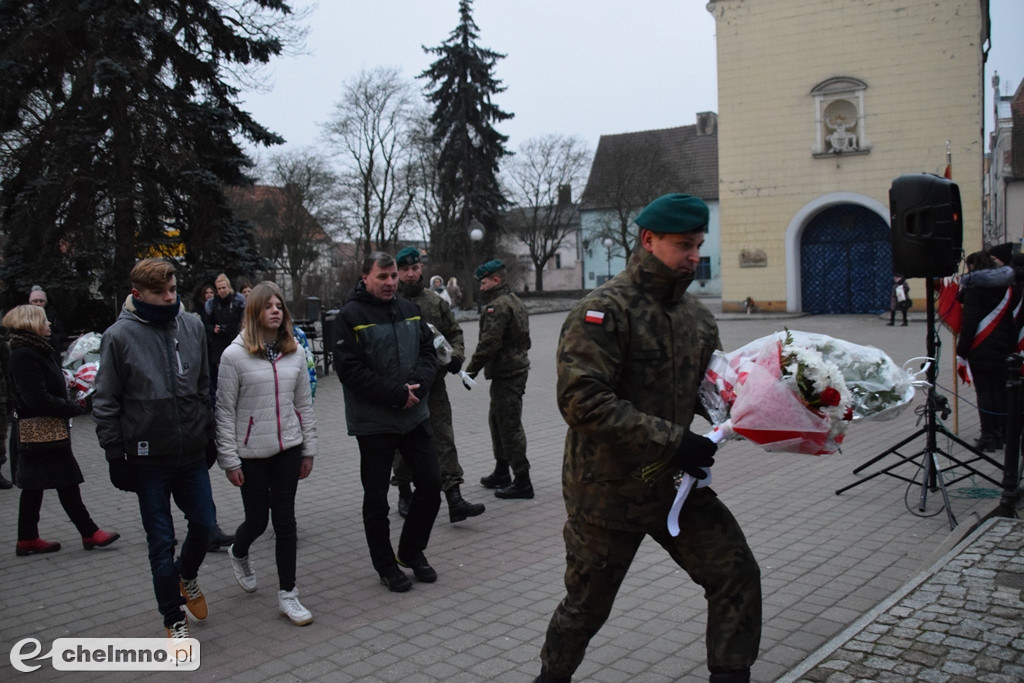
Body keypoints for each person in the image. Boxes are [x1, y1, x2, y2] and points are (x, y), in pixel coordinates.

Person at [534, 194, 761, 683]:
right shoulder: (604, 311)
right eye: (683, 245)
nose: (694, 257)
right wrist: (674, 440)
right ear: (649, 240)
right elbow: (581, 400)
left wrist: (766, 403)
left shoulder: (697, 317)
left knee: (735, 573)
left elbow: (710, 392)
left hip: (673, 486)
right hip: (607, 490)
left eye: (698, 245)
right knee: (587, 606)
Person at [92, 258, 218, 639]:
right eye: (159, 292)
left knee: (205, 525)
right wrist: (114, 455)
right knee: (161, 541)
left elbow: (203, 385)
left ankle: (186, 574)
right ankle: (172, 617)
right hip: (147, 459)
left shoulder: (191, 325)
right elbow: (105, 399)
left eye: (173, 290)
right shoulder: (119, 336)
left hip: (191, 451)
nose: (168, 298)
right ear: (137, 293)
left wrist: (207, 432)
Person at [333, 251, 442, 593]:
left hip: (414, 416)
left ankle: (410, 551)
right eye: (383, 276)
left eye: (393, 276)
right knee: (377, 499)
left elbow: (429, 352)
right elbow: (350, 370)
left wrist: (420, 385)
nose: (391, 282)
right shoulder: (350, 316)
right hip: (375, 423)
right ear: (365, 277)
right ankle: (385, 565)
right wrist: (395, 394)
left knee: (431, 485)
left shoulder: (410, 310)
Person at [216, 281, 318, 626]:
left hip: (288, 447)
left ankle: (288, 594)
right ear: (254, 312)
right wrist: (229, 459)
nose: (275, 311)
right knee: (258, 520)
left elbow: (304, 404)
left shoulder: (295, 352)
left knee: (285, 520)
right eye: (268, 306)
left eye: (279, 306)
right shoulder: (234, 356)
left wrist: (309, 448)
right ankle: (239, 550)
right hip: (251, 452)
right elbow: (224, 411)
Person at [4, 305, 120, 556]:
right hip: (40, 430)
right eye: (44, 321)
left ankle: (28, 538)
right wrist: (72, 407)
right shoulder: (24, 355)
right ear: (30, 324)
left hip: (43, 430)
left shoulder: (37, 350)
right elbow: (37, 399)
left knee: (35, 487)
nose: (49, 324)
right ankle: (88, 532)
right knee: (66, 481)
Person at [393, 247, 485, 523]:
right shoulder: (390, 302)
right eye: (404, 269)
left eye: (415, 268)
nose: (410, 274)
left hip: (434, 385)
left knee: (443, 438)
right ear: (397, 271)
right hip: (403, 388)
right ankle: (404, 491)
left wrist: (456, 356)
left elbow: (454, 332)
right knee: (402, 443)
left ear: (421, 268)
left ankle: (454, 497)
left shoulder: (434, 302)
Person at [466, 259, 533, 499]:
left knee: (509, 426)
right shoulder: (514, 301)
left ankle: (522, 481)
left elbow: (489, 343)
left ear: (496, 280)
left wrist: (471, 370)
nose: (481, 287)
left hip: (508, 374)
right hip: (512, 370)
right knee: (497, 422)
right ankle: (502, 471)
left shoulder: (497, 307)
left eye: (484, 283)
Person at [956, 250, 1017, 452]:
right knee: (998, 390)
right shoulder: (1005, 287)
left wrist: (961, 350)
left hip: (981, 347)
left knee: (984, 391)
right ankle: (1000, 433)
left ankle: (988, 436)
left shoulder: (974, 288)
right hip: (1002, 346)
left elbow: (970, 322)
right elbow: (1009, 319)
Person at [204, 273, 245, 403]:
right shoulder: (213, 305)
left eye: (224, 288)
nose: (222, 291)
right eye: (219, 288)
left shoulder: (237, 302)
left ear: (228, 287)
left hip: (235, 341)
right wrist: (213, 328)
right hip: (219, 345)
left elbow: (243, 321)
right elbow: (206, 324)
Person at [28, 286, 68, 353]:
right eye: (35, 301)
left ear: (45, 302)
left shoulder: (53, 314)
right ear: (31, 303)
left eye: (41, 301)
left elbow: (62, 334)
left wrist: (53, 338)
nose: (38, 304)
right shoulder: (26, 316)